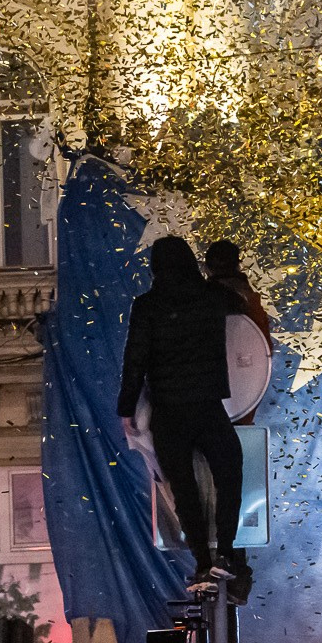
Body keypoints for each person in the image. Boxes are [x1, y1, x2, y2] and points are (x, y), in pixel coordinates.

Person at [118, 236, 250, 600]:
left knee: (184, 489)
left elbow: (135, 360)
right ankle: (225, 550)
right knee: (230, 470)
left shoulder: (147, 306)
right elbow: (239, 304)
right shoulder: (210, 296)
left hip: (168, 411)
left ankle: (202, 562)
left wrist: (126, 410)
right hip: (208, 405)